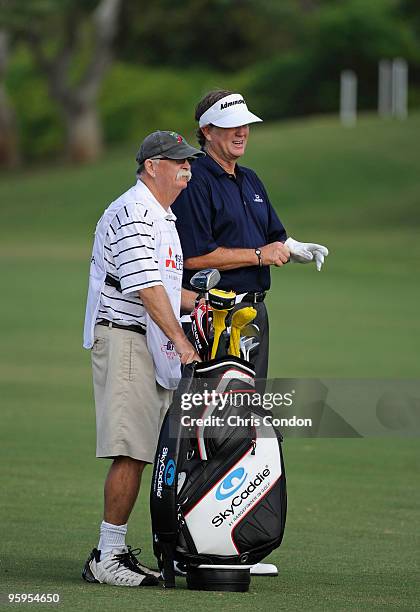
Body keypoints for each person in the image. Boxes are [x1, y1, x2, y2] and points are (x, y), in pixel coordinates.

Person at [172, 91, 329, 577]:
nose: (242, 133)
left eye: (246, 125)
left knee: (241, 421)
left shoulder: (251, 180)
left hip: (253, 317)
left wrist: (292, 247)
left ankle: (229, 537)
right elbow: (195, 256)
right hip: (211, 315)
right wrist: (260, 256)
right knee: (205, 427)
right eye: (232, 125)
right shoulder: (194, 179)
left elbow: (272, 236)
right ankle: (193, 540)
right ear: (208, 131)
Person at [81, 130, 203, 587]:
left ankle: (122, 552)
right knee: (130, 451)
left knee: (145, 451)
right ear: (152, 166)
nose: (187, 170)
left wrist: (209, 301)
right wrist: (184, 342)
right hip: (127, 337)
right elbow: (148, 290)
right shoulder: (134, 211)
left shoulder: (161, 216)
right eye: (178, 163)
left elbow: (168, 288)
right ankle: (107, 557)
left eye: (189, 162)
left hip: (147, 340)